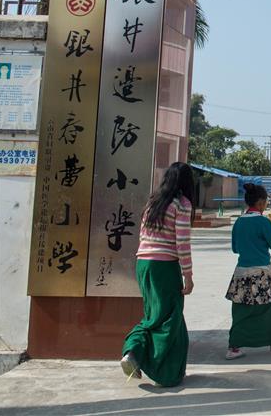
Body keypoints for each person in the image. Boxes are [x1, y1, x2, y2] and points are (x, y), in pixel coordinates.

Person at [120, 162, 195, 386]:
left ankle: (133, 353)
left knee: (154, 314)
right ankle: (155, 365)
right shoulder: (181, 204)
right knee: (168, 318)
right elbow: (182, 242)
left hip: (143, 263)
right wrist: (188, 275)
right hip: (164, 266)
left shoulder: (154, 202)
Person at [225, 183, 271, 359]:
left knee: (240, 309)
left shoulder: (239, 222)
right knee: (270, 307)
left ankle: (234, 347)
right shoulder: (264, 222)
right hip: (262, 271)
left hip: (241, 271)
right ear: (261, 202)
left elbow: (235, 248)